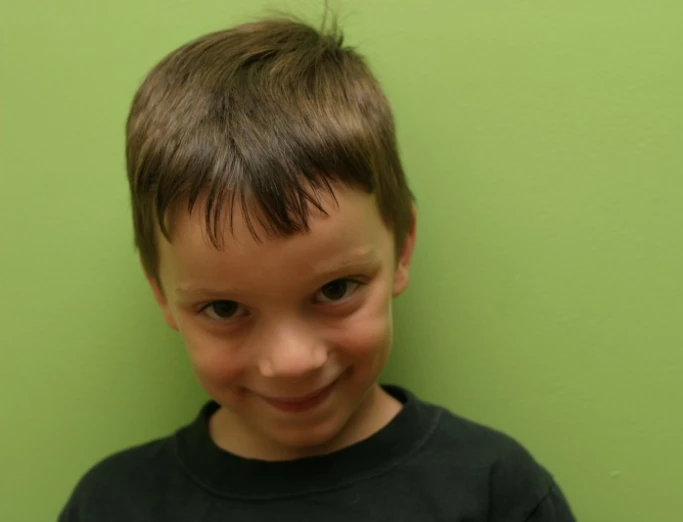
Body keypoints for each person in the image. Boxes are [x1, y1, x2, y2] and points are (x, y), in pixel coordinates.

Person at [59, 14, 576, 522]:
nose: (291, 362)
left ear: (401, 249)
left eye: (334, 290)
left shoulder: (494, 490)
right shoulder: (112, 505)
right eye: (224, 308)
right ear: (160, 293)